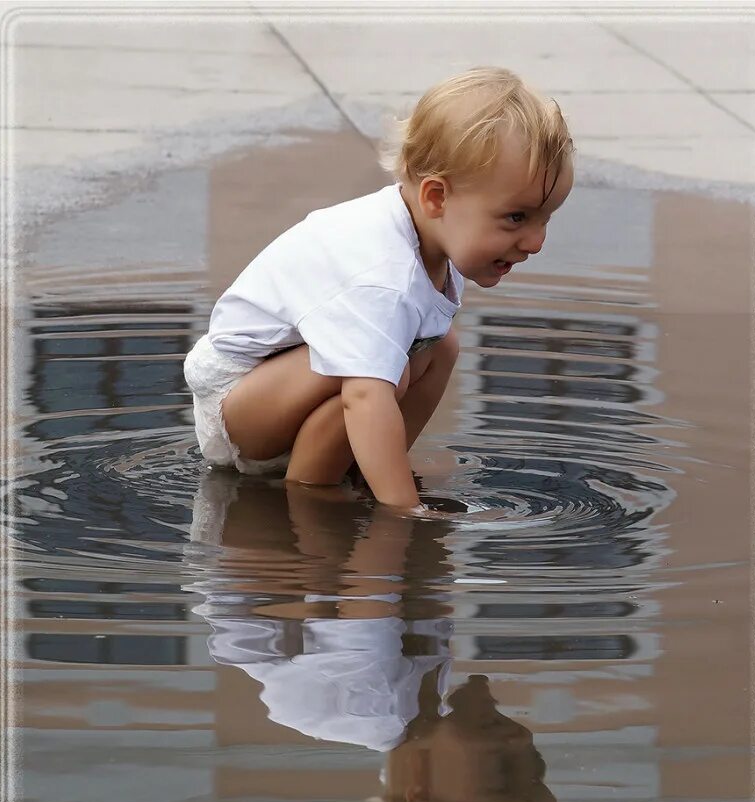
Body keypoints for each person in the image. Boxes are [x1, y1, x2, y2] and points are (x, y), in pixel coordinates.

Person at [184, 66, 574, 516]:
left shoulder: (431, 240)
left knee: (438, 346)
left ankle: (365, 471)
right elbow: (365, 395)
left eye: (547, 218)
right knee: (383, 373)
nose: (537, 242)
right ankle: (309, 496)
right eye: (516, 218)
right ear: (436, 198)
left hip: (279, 388)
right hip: (236, 405)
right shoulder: (381, 275)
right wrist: (406, 511)